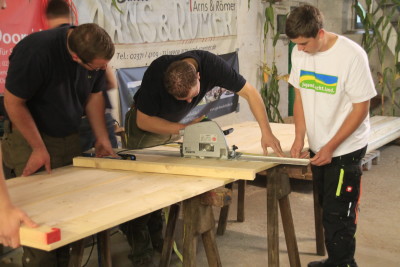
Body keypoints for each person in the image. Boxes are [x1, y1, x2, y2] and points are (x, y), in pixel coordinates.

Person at [123, 49, 284, 264]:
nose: (189, 101)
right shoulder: (158, 71)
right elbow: (143, 121)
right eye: (182, 98)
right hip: (146, 127)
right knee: (141, 190)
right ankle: (140, 253)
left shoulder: (212, 65)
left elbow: (250, 93)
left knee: (158, 188)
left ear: (199, 75)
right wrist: (183, 128)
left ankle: (158, 241)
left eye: (191, 95)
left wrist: (267, 132)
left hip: (172, 125)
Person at [1, 23, 116, 266]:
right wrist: (38, 147)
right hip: (30, 138)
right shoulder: (36, 52)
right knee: (40, 229)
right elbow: (13, 103)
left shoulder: (91, 48)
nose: (104, 69)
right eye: (98, 66)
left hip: (67, 134)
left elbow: (95, 94)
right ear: (76, 57)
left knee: (68, 224)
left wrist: (102, 137)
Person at [285, 4, 376, 267]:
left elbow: (361, 108)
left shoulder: (351, 56)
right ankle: (335, 261)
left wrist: (330, 147)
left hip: (345, 149)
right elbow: (299, 95)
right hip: (319, 146)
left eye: (303, 43)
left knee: (340, 214)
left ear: (320, 33)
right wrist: (299, 137)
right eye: (295, 44)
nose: (298, 49)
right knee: (327, 207)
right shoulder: (299, 52)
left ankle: (344, 264)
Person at [45, 0, 118, 151]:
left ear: (47, 18)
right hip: (102, 117)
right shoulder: (90, 40)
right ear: (70, 14)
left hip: (78, 121)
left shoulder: (59, 46)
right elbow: (111, 82)